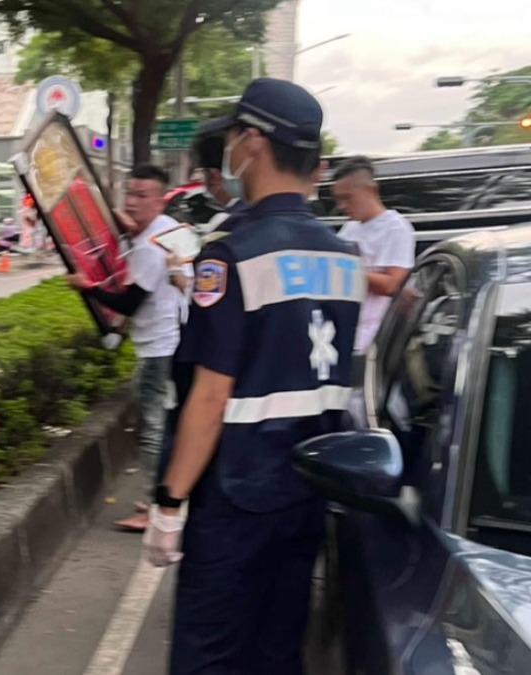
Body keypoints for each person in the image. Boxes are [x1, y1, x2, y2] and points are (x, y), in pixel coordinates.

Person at [146, 79, 364, 675]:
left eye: (236, 138)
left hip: (239, 495)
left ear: (253, 142)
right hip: (309, 491)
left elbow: (210, 397)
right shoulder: (344, 257)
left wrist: (170, 503)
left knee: (210, 656)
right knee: (277, 650)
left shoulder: (232, 254)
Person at [66, 165, 186, 532]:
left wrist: (87, 287)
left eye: (142, 195)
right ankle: (166, 496)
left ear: (160, 198)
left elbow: (130, 303)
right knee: (166, 426)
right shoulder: (169, 230)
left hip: (159, 348)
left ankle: (155, 508)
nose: (132, 202)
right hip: (175, 341)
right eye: (129, 194)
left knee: (152, 428)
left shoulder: (150, 247)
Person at [333, 155, 415, 357]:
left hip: (376, 341)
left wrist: (345, 270)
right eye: (338, 199)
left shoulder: (396, 228)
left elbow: (391, 284)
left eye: (347, 198)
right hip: (345, 332)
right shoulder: (349, 229)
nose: (342, 206)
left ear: (371, 190)